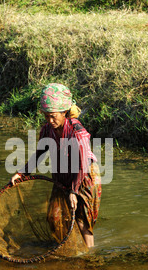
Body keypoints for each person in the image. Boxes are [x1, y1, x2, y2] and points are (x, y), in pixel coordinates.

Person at [10, 83, 101, 248]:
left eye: (53, 116)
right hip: (63, 174)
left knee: (82, 219)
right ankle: (67, 246)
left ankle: (89, 256)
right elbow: (38, 155)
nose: (50, 121)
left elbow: (82, 165)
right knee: (54, 218)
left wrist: (74, 191)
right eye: (46, 116)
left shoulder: (77, 132)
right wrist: (22, 173)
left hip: (85, 175)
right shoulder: (47, 130)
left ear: (64, 113)